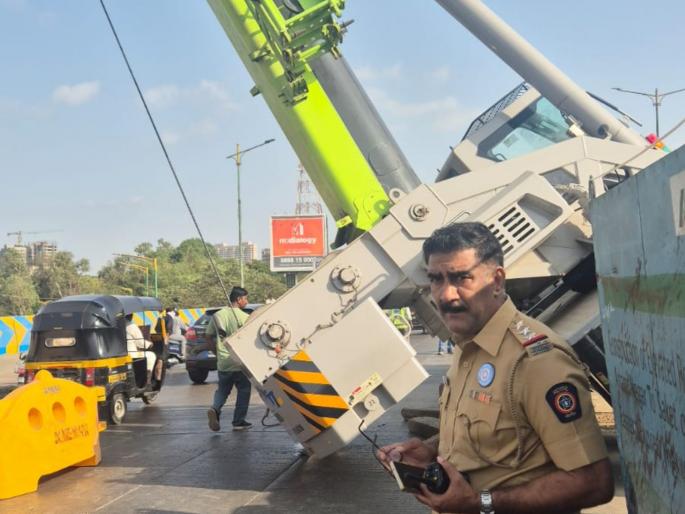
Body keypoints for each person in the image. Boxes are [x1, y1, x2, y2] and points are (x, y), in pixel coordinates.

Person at [378, 222, 613, 514]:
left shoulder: (537, 362)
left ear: (497, 281)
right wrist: (430, 449)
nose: (446, 295)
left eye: (461, 278)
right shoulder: (468, 345)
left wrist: (479, 504)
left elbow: (593, 482)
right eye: (436, 279)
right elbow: (491, 436)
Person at [206, 286, 253, 432]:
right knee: (244, 390)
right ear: (238, 299)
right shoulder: (245, 317)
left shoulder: (217, 315)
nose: (247, 301)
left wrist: (217, 353)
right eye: (245, 298)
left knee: (222, 390)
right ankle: (238, 421)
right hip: (240, 362)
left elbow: (208, 337)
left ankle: (215, 408)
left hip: (223, 362)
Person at [125, 314, 156, 383]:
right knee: (151, 355)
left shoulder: (116, 325)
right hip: (131, 354)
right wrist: (150, 344)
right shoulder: (131, 326)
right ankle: (147, 379)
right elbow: (140, 342)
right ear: (131, 316)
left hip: (120, 353)